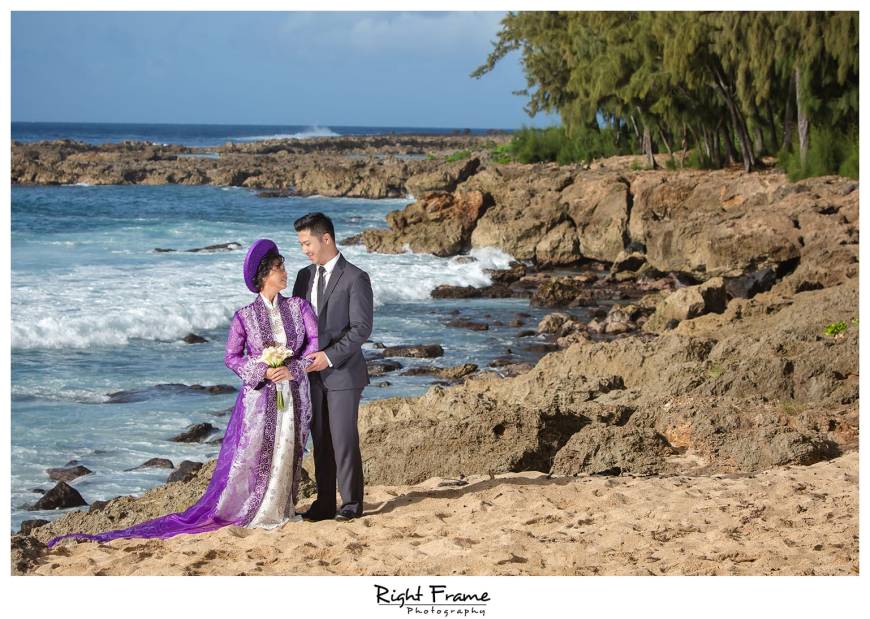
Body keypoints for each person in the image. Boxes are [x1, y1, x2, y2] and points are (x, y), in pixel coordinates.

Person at [46, 240, 318, 548]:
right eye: (280, 268)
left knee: (287, 449)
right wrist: (262, 369)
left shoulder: (298, 307)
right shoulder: (244, 316)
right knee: (255, 454)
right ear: (265, 274)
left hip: (292, 394)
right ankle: (255, 510)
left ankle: (282, 508)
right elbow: (232, 357)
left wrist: (293, 367)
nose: (285, 273)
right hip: (259, 398)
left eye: (283, 267)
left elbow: (313, 345)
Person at [292, 212, 373, 522]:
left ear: (326, 238)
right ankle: (325, 504)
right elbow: (296, 324)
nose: (304, 250)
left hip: (343, 372)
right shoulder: (303, 276)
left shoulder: (355, 277)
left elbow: (361, 328)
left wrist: (328, 356)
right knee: (321, 441)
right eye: (301, 245)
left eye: (307, 243)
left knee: (343, 439)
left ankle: (351, 505)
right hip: (310, 376)